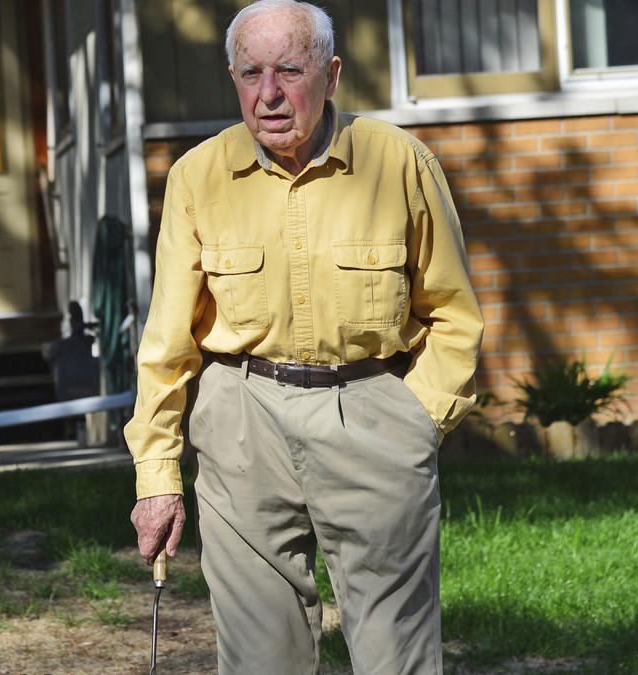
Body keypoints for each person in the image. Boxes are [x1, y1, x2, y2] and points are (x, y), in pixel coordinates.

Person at [125, 0, 484, 672]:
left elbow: (454, 314)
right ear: (232, 78)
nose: (269, 94)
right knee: (262, 657)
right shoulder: (197, 178)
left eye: (290, 70)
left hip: (371, 410)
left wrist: (416, 423)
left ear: (332, 73)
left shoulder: (399, 163)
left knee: (396, 652)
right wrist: (157, 475)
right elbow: (167, 341)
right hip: (239, 419)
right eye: (250, 73)